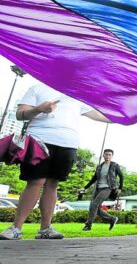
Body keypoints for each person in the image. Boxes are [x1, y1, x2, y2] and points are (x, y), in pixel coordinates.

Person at [0, 83, 110, 240]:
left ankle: (45, 229)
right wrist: (39, 109)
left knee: (52, 184)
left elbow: (101, 115)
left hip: (68, 143)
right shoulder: (37, 88)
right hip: (39, 140)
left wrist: (132, 115)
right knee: (36, 181)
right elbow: (20, 114)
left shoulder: (76, 91)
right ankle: (16, 228)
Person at [82, 149, 123, 231]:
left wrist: (120, 188)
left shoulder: (115, 165)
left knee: (94, 205)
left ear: (112, 156)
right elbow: (94, 178)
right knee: (95, 208)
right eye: (106, 154)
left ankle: (88, 225)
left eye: (109, 155)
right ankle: (112, 219)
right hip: (98, 188)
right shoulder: (99, 166)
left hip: (108, 188)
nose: (108, 156)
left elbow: (121, 176)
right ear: (103, 155)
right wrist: (85, 188)